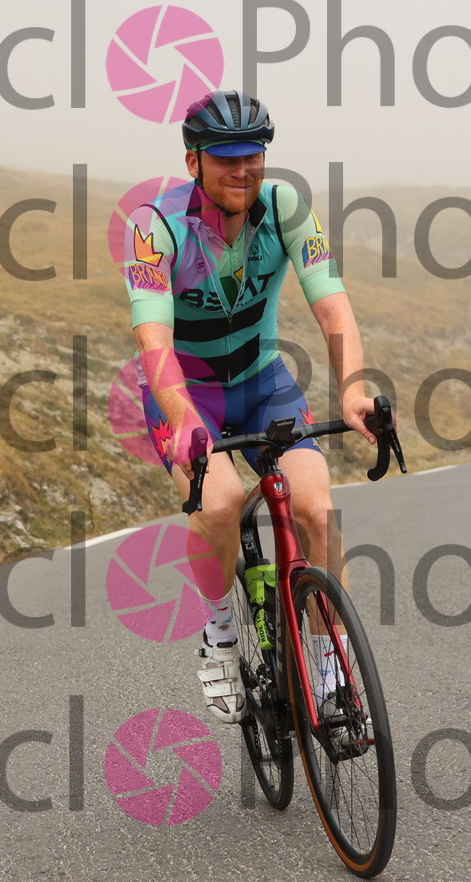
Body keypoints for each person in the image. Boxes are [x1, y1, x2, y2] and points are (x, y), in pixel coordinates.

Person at [121, 90, 379, 724]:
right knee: (221, 504)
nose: (242, 169)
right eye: (225, 157)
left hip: (263, 382)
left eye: (253, 155)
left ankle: (330, 668)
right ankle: (218, 635)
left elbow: (333, 307)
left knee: (317, 509)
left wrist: (352, 389)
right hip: (187, 392)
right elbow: (154, 342)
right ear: (193, 161)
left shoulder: (286, 207)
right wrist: (184, 419)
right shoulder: (155, 228)